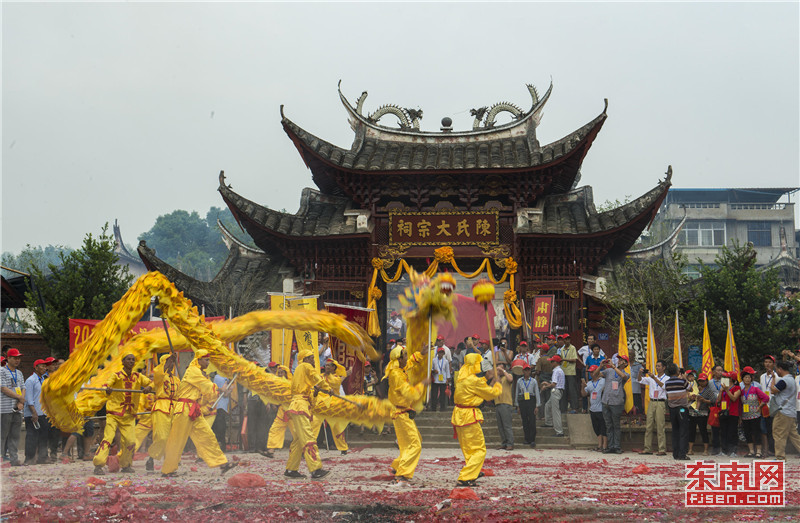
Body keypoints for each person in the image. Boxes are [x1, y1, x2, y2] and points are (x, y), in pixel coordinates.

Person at [160, 350, 236, 477]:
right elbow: (205, 385)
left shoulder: (199, 372)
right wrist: (219, 388)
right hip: (184, 409)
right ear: (199, 359)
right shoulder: (192, 370)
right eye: (206, 360)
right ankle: (168, 470)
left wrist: (219, 391)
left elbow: (206, 392)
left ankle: (222, 464)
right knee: (177, 440)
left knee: (207, 435)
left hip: (193, 409)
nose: (208, 362)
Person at [93, 353, 154, 475]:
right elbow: (107, 385)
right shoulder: (116, 376)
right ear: (123, 362)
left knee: (131, 441)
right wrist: (108, 389)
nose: (131, 361)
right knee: (108, 438)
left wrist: (149, 387)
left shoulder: (138, 376)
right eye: (129, 359)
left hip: (129, 415)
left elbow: (151, 383)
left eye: (133, 360)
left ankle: (126, 464)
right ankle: (98, 465)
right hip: (114, 413)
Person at [451, 354, 502, 487]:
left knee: (468, 449)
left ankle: (474, 471)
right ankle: (466, 476)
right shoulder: (473, 380)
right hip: (469, 416)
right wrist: (498, 385)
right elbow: (490, 394)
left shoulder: (461, 378)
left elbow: (474, 385)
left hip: (459, 415)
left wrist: (486, 377)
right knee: (479, 449)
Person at [385, 344, 431, 485]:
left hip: (402, 412)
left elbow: (409, 363)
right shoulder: (397, 375)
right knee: (414, 444)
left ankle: (397, 467)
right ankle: (403, 475)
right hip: (401, 413)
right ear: (399, 359)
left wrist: (420, 354)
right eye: (405, 355)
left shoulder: (398, 369)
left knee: (411, 442)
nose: (407, 357)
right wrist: (422, 384)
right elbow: (409, 393)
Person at [283, 349, 330, 479]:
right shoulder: (306, 366)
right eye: (311, 358)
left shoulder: (299, 370)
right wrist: (327, 388)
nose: (314, 361)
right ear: (306, 359)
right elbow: (317, 378)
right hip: (300, 406)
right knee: (308, 437)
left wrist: (315, 392)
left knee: (298, 440)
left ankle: (291, 469)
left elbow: (307, 392)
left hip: (298, 405)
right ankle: (315, 469)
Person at [145, 354, 179, 471]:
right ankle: (151, 457)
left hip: (174, 409)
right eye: (168, 361)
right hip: (161, 408)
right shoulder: (159, 377)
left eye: (173, 362)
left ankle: (169, 464)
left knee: (173, 439)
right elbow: (158, 374)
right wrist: (169, 361)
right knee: (162, 437)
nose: (171, 364)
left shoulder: (177, 379)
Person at [769, 360, 800, 460]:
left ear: (780, 369)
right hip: (790, 412)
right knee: (794, 436)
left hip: (783, 412)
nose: (776, 371)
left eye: (777, 369)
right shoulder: (791, 379)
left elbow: (773, 390)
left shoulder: (784, 381)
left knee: (778, 434)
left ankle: (780, 457)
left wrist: (773, 379)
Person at [319, 358, 350, 455]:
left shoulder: (336, 378)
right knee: (314, 424)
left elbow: (333, 384)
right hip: (321, 404)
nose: (326, 367)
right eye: (326, 365)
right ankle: (308, 447)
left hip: (333, 405)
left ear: (333, 368)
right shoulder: (321, 376)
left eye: (329, 365)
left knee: (336, 427)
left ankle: (343, 447)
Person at [0, 348, 25, 466]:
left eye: (19, 358)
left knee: (15, 434)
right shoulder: (2, 371)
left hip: (18, 408)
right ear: (8, 358)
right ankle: (1, 457)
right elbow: (4, 388)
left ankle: (14, 459)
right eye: (15, 358)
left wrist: (21, 402)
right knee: (3, 434)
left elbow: (23, 388)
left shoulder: (19, 373)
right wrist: (19, 398)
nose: (17, 360)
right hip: (5, 408)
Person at [601, 355, 630, 454]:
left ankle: (617, 446)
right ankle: (610, 446)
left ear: (625, 363)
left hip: (617, 402)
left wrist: (613, 366)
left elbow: (623, 376)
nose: (619, 361)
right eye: (619, 359)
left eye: (622, 360)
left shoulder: (626, 373)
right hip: (606, 401)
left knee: (616, 425)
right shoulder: (609, 371)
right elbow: (596, 375)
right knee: (608, 425)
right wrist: (601, 366)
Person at [638, 360, 668, 456]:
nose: (657, 368)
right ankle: (647, 448)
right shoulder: (650, 378)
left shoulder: (667, 378)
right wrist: (639, 373)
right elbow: (639, 380)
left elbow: (664, 387)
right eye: (656, 366)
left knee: (660, 426)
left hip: (660, 402)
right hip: (651, 402)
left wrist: (654, 378)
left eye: (659, 366)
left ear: (664, 367)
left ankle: (662, 449)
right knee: (649, 425)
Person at [23, 359, 50, 465]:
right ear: (36, 367)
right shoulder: (30, 380)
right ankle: (29, 458)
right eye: (42, 366)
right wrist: (34, 413)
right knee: (31, 436)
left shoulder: (43, 379)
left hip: (42, 412)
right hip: (32, 413)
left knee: (43, 435)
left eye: (45, 366)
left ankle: (42, 457)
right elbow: (29, 399)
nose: (45, 368)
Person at [739, 367, 769, 458]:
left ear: (751, 379)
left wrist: (760, 407)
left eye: (749, 377)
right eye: (746, 377)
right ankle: (751, 451)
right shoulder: (741, 391)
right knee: (747, 433)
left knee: (756, 432)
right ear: (743, 379)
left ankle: (758, 451)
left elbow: (766, 398)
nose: (747, 379)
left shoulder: (755, 389)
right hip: (745, 415)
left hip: (755, 414)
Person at [664, 363, 691, 460]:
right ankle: (682, 454)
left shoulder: (667, 383)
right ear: (677, 371)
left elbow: (667, 392)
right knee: (683, 431)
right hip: (682, 408)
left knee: (675, 431)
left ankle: (675, 453)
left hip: (672, 409)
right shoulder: (682, 381)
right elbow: (690, 388)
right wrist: (684, 377)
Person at [265, 364, 292, 458]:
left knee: (297, 431)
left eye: (282, 372)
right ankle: (271, 450)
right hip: (282, 410)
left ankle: (304, 450)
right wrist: (272, 403)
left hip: (292, 411)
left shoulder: (289, 383)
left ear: (286, 373)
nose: (280, 374)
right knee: (275, 429)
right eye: (279, 372)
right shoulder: (277, 383)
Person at [582, 364, 607, 452]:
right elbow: (584, 394)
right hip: (593, 409)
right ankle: (599, 445)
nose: (591, 374)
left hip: (602, 408)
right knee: (596, 428)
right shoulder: (589, 383)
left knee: (603, 427)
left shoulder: (603, 381)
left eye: (592, 372)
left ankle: (605, 445)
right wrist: (583, 385)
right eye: (590, 372)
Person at [688, 373, 714, 456]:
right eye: (700, 381)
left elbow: (713, 401)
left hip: (703, 412)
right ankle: (690, 449)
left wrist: (704, 400)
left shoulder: (709, 391)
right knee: (691, 430)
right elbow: (688, 397)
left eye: (703, 381)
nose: (701, 383)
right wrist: (691, 398)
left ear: (706, 381)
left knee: (703, 430)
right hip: (692, 412)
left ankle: (706, 450)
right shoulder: (694, 388)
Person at [717, 370, 742, 457]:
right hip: (723, 412)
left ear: (732, 379)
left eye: (727, 377)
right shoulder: (723, 387)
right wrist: (721, 391)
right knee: (723, 432)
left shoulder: (737, 388)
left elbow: (734, 398)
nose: (725, 378)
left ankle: (733, 451)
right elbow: (719, 400)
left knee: (732, 432)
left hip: (733, 413)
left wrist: (727, 390)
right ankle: (724, 450)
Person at [516, 362, 540, 448]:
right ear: (523, 371)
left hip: (531, 399)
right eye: (525, 370)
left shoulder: (533, 381)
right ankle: (526, 438)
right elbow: (517, 393)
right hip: (523, 400)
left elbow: (537, 392)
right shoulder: (519, 381)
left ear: (530, 371)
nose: (527, 372)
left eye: (528, 370)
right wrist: (517, 405)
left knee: (532, 420)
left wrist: (537, 405)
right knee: (524, 420)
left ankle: (532, 439)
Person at [542, 354, 565, 437]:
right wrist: (548, 384)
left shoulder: (556, 370)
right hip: (558, 390)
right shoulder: (559, 370)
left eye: (552, 361)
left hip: (556, 391)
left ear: (556, 362)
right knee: (547, 405)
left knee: (556, 412)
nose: (551, 363)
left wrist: (546, 386)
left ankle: (559, 431)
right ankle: (548, 422)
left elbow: (554, 384)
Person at [494, 362, 515, 450]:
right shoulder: (497, 378)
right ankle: (504, 442)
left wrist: (503, 371)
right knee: (500, 426)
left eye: (500, 369)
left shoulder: (508, 376)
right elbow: (491, 386)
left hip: (506, 403)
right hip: (498, 403)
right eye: (497, 369)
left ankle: (510, 443)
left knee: (507, 425)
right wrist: (496, 377)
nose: (499, 370)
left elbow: (510, 380)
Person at [759, 355, 777, 456]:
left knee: (773, 429)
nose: (767, 364)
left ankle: (774, 450)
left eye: (770, 362)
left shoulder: (777, 376)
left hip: (773, 406)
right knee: (764, 429)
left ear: (773, 364)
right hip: (764, 406)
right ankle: (767, 450)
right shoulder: (762, 376)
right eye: (766, 362)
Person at [211, 372, 232, 451]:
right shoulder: (220, 378)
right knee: (220, 429)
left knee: (219, 428)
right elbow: (225, 393)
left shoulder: (222, 378)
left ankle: (220, 447)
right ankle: (220, 448)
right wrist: (230, 389)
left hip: (221, 407)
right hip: (219, 407)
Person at [559, 334, 579, 413]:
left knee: (572, 390)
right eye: (566, 339)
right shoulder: (562, 349)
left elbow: (574, 359)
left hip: (571, 372)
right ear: (563, 341)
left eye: (568, 339)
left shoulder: (572, 348)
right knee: (564, 391)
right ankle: (563, 408)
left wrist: (564, 359)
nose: (567, 341)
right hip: (563, 372)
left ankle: (575, 408)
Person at [430, 348, 451, 412]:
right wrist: (433, 371)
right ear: (437, 353)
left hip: (443, 379)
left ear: (443, 354)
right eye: (439, 353)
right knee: (434, 394)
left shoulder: (446, 361)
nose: (440, 354)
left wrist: (448, 378)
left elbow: (447, 370)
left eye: (442, 353)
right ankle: (433, 407)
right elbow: (431, 369)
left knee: (442, 395)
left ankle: (442, 408)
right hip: (436, 379)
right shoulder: (434, 360)